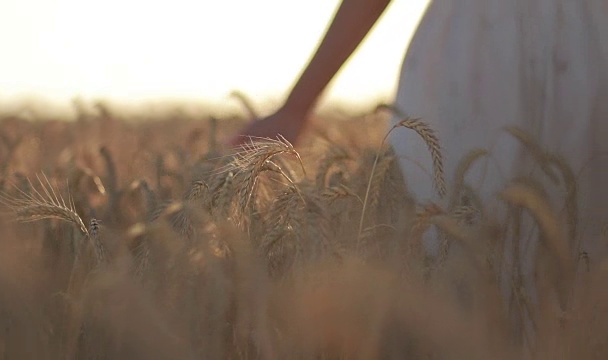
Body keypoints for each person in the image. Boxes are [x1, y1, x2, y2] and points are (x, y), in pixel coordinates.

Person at [232, 0, 608, 254]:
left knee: (465, 258)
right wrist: (295, 108)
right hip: (575, 47)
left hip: (479, 51)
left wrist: (297, 107)